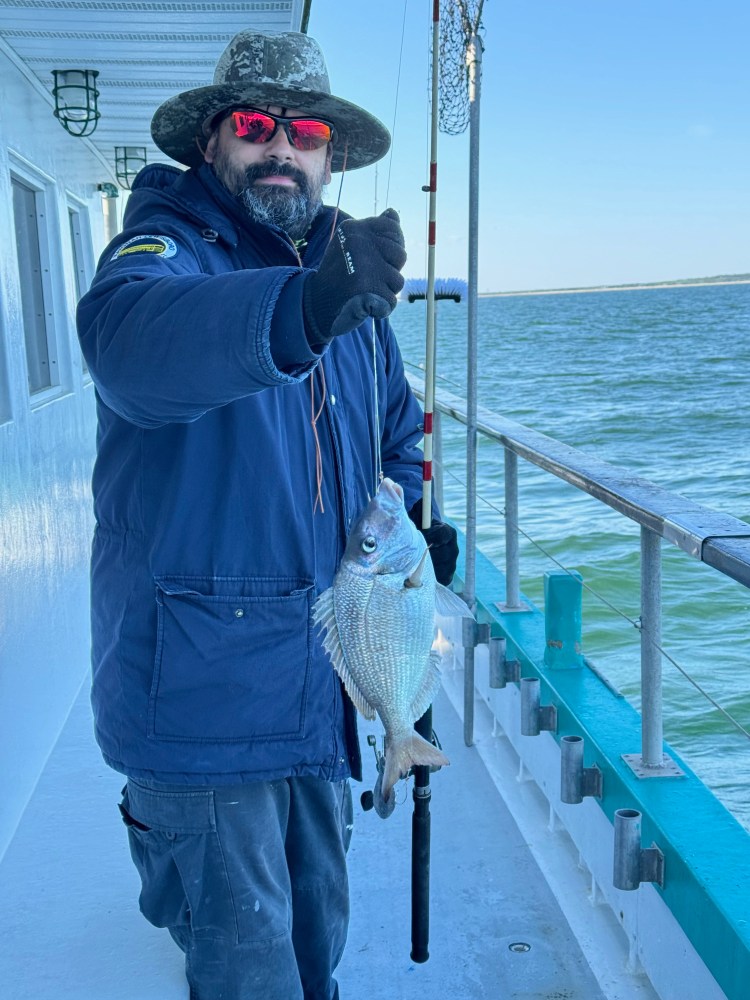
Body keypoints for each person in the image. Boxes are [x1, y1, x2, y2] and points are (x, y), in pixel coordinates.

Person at [77, 29, 458, 1000]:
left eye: (307, 132)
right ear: (213, 144)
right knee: (247, 971)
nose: (282, 147)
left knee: (313, 944)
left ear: (331, 154)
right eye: (255, 126)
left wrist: (413, 520)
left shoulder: (348, 296)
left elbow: (393, 436)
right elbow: (130, 348)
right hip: (199, 704)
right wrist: (300, 307)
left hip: (316, 688)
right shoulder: (165, 253)